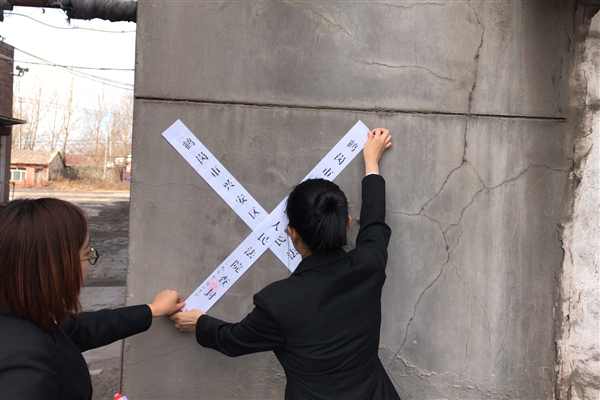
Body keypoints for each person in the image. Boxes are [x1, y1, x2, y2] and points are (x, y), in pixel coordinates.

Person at [172, 128, 400, 399]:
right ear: (348, 223)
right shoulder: (368, 266)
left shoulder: (278, 302)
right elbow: (374, 223)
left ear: (292, 234)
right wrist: (371, 162)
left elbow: (232, 340)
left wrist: (199, 321)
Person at [0, 198, 185, 400]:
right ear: (58, 265)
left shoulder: (22, 314)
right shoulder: (24, 364)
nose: (89, 263)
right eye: (87, 253)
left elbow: (81, 328)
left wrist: (152, 310)